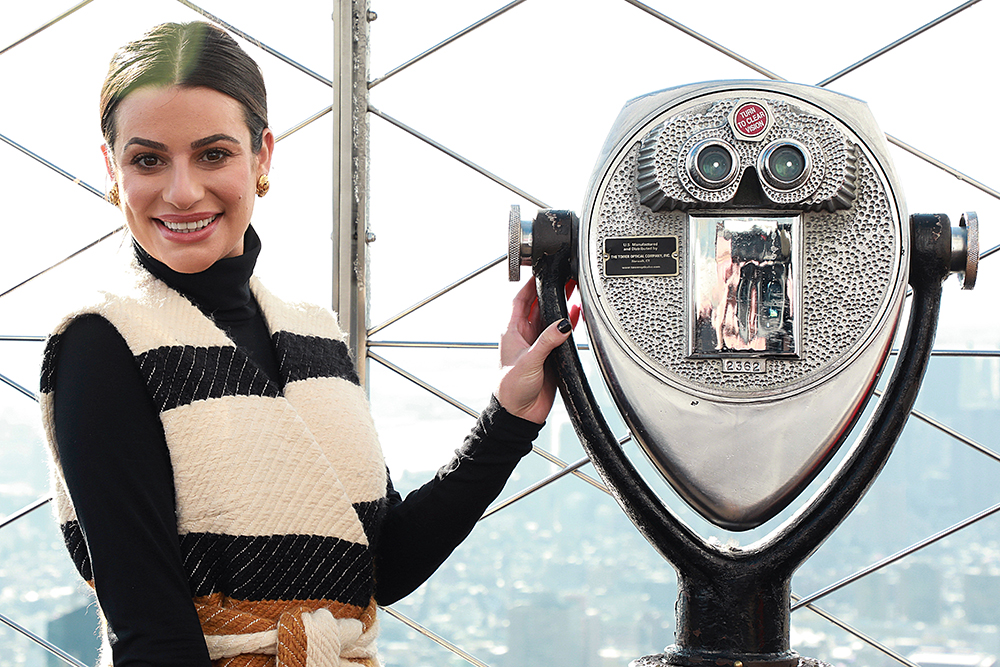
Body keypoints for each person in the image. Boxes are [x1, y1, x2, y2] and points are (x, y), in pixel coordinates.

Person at [39, 21, 576, 667]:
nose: (182, 191)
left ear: (262, 155)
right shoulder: (103, 342)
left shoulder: (311, 332)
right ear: (111, 166)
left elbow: (380, 566)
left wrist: (508, 417)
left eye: (213, 154)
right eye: (148, 158)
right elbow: (152, 636)